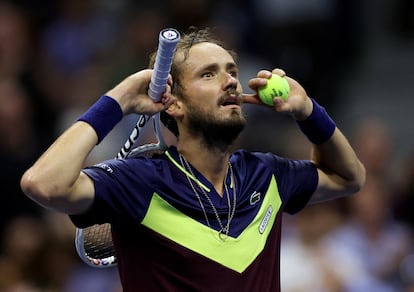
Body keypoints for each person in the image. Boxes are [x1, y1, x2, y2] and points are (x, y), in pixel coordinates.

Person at [20, 28, 365, 291]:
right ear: (174, 104)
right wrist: (119, 99)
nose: (231, 81)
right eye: (209, 74)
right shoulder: (138, 182)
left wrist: (308, 112)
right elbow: (43, 183)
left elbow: (349, 177)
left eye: (231, 70)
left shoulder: (266, 174)